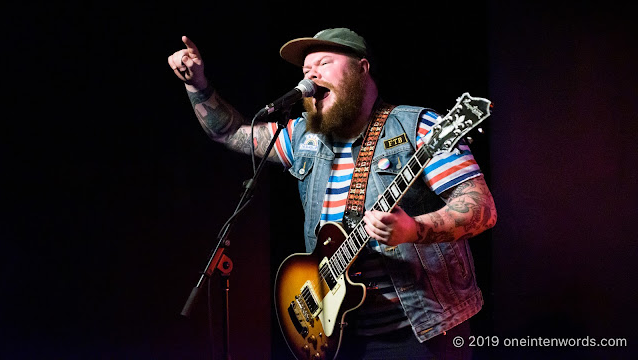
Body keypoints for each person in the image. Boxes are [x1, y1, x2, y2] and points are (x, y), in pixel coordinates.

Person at [168, 28, 497, 360]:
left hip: (419, 334)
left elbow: (480, 206)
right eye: (305, 71)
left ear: (361, 68)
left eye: (324, 63)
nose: (311, 74)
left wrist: (414, 229)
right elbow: (230, 132)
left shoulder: (419, 127)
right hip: (338, 338)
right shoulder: (301, 137)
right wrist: (196, 84)